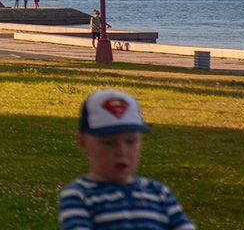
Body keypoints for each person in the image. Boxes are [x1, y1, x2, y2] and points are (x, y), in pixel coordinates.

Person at [58, 89, 194, 230]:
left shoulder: (158, 193)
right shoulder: (80, 196)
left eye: (130, 142)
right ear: (83, 143)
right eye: (109, 143)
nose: (121, 152)